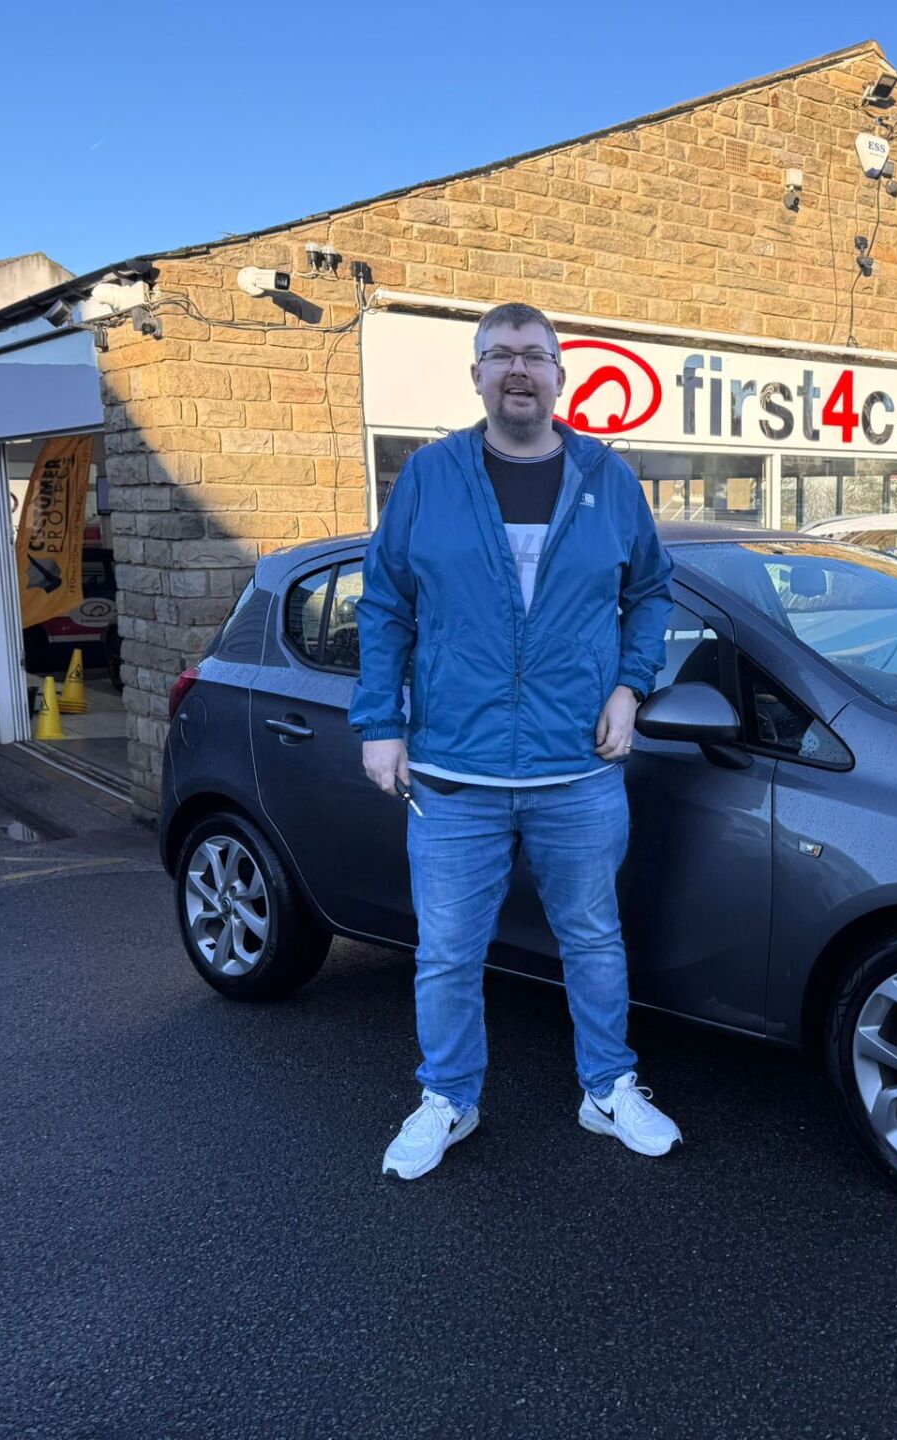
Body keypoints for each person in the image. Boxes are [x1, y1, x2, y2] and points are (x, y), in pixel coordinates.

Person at [350, 301, 680, 1180]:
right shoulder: (429, 476)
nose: (518, 370)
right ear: (477, 376)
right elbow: (384, 604)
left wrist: (629, 687)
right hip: (456, 769)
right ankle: (448, 1099)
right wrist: (381, 723)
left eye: (535, 354)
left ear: (560, 373)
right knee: (449, 952)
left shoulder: (607, 478)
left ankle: (607, 1088)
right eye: (500, 355)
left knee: (593, 939)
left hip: (577, 767)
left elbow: (651, 593)